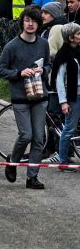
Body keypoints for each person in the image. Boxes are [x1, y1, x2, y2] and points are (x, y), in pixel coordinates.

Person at [0, 6, 50, 189]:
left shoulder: (43, 44)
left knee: (38, 139)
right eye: (27, 20)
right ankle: (13, 161)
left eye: (34, 21)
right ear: (22, 22)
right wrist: (19, 73)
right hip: (20, 97)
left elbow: (49, 65)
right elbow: (0, 69)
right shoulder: (12, 46)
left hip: (40, 96)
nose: (30, 24)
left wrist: (43, 70)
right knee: (26, 135)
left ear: (39, 24)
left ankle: (32, 177)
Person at [52, 23, 80, 170]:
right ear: (71, 37)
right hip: (73, 97)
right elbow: (59, 81)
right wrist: (63, 102)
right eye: (79, 34)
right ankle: (62, 161)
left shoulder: (78, 52)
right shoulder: (64, 55)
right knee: (69, 129)